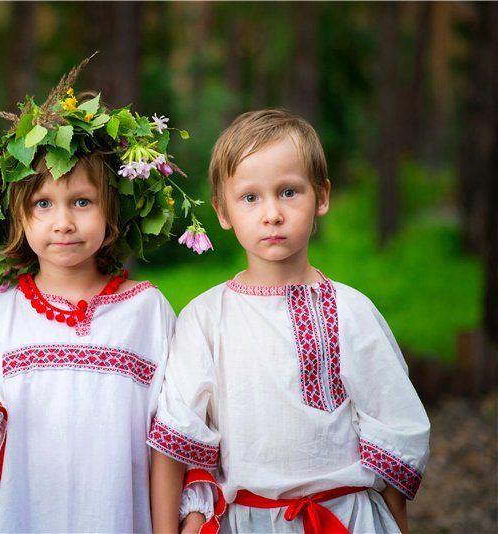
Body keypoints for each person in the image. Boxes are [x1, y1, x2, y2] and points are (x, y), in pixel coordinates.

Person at [0, 59, 210, 533]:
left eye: (82, 202)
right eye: (43, 204)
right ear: (18, 218)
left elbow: (179, 426)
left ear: (111, 213)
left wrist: (190, 515)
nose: (63, 222)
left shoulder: (146, 310)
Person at [149, 109, 431, 534]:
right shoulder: (205, 319)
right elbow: (175, 442)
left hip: (343, 519)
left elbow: (395, 437)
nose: (272, 214)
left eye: (288, 192)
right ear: (222, 211)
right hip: (245, 522)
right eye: (250, 197)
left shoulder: (351, 311)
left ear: (321, 196)